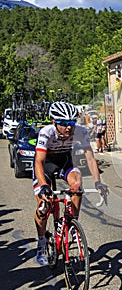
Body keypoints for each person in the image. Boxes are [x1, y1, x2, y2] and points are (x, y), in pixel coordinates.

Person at [33, 101, 108, 266]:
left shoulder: (80, 132)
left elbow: (90, 157)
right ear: (54, 122)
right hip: (45, 165)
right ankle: (41, 243)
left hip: (65, 163)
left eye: (71, 123)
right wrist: (44, 186)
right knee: (43, 207)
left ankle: (72, 223)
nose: (69, 127)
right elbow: (39, 161)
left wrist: (98, 182)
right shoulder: (47, 132)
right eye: (64, 124)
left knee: (76, 185)